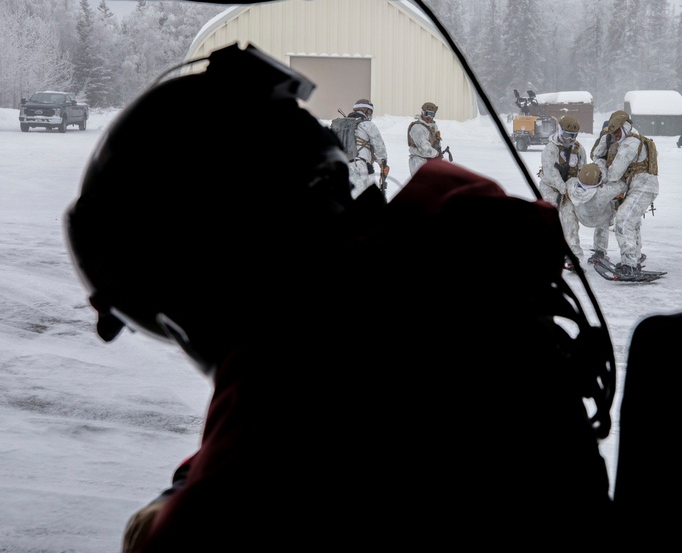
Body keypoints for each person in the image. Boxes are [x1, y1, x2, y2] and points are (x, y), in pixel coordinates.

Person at [63, 44, 613, 550]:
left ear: (208, 261)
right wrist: (196, 476)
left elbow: (252, 472)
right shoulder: (430, 284)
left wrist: (165, 516)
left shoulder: (310, 354)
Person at [602, 110, 659, 279]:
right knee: (632, 223)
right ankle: (635, 258)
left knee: (623, 220)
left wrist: (602, 174)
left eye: (617, 132)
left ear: (625, 128)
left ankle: (629, 265)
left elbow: (614, 173)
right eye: (613, 134)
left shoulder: (630, 143)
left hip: (642, 188)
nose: (615, 136)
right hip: (642, 187)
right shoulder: (636, 140)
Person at [538, 115, 587, 268]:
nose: (569, 139)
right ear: (560, 131)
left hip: (568, 191)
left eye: (573, 136)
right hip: (550, 190)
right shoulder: (550, 149)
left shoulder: (579, 149)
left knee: (570, 223)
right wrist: (563, 189)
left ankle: (574, 258)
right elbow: (551, 173)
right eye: (566, 135)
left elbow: (582, 170)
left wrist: (576, 189)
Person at [564, 162, 627, 268]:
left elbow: (568, 181)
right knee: (606, 212)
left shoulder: (571, 185)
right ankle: (600, 251)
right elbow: (623, 185)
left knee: (567, 210)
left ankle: (573, 253)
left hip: (581, 217)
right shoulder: (604, 192)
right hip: (600, 218)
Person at [338, 98, 389, 198]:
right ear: (367, 111)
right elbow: (379, 146)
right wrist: (383, 164)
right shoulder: (367, 124)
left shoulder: (340, 125)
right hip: (360, 165)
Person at [407, 101, 443, 175]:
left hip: (431, 161)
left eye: (432, 114)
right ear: (422, 113)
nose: (429, 117)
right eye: (427, 114)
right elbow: (424, 149)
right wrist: (436, 154)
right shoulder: (417, 128)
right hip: (419, 161)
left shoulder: (433, 126)